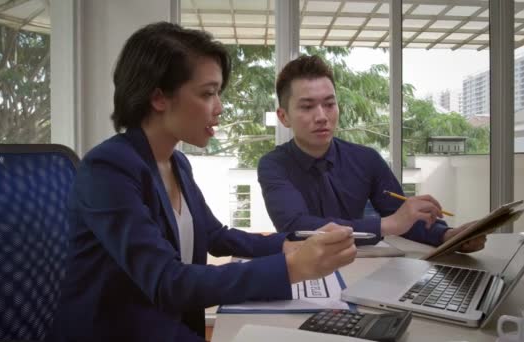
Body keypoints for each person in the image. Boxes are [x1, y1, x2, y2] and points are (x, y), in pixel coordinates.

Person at [48, 23, 356, 342]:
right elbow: (167, 281)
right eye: (208, 93)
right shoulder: (108, 168)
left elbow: (215, 236)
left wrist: (289, 245)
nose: (219, 108)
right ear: (158, 98)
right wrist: (292, 267)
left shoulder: (176, 162)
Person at [258, 55, 486, 251]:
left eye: (329, 104)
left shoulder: (366, 159)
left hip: (362, 265)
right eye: (307, 106)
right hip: (301, 269)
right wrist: (389, 224)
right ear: (283, 117)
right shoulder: (273, 165)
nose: (321, 116)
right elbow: (297, 227)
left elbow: (402, 216)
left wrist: (446, 236)